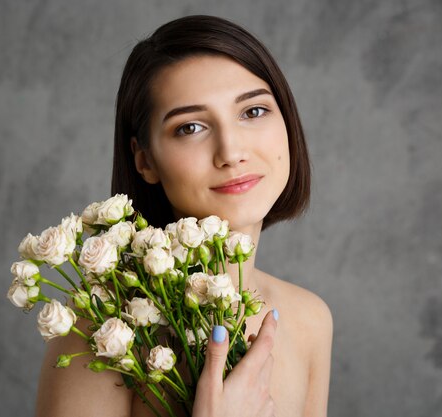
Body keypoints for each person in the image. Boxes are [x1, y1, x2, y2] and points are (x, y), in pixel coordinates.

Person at [36, 15, 332, 417]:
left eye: (254, 111)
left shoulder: (309, 319)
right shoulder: (105, 332)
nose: (231, 151)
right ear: (145, 160)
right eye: (190, 127)